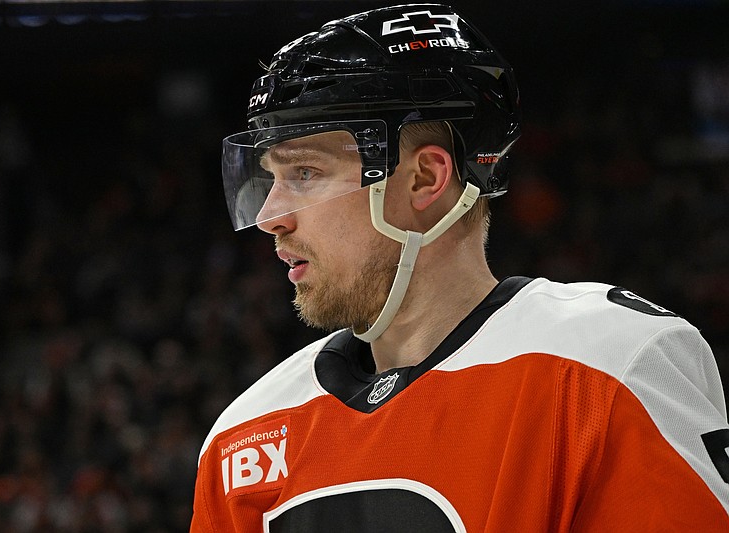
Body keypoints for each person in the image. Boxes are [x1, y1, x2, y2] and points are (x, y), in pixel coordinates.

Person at [190, 4, 729, 531]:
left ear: (426, 178)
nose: (269, 217)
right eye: (270, 178)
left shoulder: (610, 368)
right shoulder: (243, 434)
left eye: (305, 173)